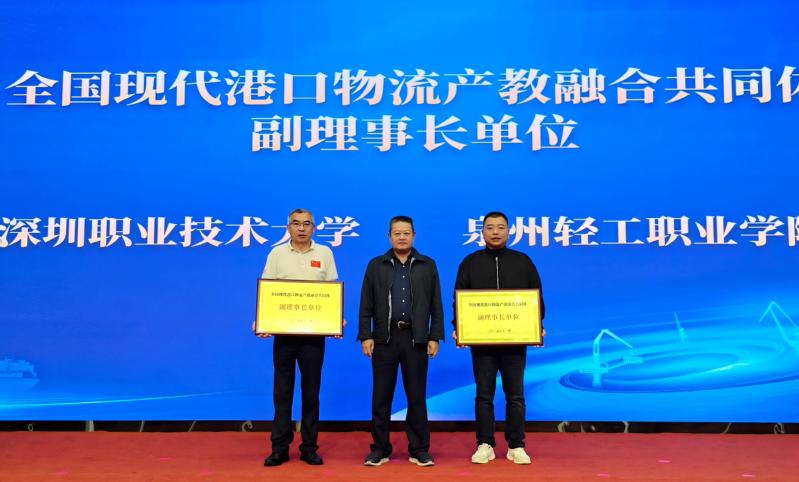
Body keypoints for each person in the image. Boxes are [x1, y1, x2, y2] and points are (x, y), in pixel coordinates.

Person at [453, 211, 545, 465]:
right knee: (484, 395)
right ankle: (485, 444)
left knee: (515, 395)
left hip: (515, 341)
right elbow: (459, 298)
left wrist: (537, 325)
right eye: (490, 227)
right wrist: (459, 327)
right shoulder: (470, 262)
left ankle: (516, 445)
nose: (495, 232)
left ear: (509, 231)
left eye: (501, 227)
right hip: (482, 342)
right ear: (482, 231)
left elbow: (536, 297)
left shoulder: (522, 261)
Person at [358, 216, 444, 467]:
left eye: (406, 233)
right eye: (397, 233)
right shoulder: (376, 265)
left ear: (414, 235)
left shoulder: (427, 265)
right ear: (389, 237)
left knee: (417, 396)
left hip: (416, 339)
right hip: (384, 339)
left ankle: (419, 449)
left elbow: (436, 304)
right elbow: (366, 303)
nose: (402, 237)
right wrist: (366, 335)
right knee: (381, 397)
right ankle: (379, 448)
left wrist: (434, 336)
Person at [258, 208, 338, 467]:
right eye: (296, 224)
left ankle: (309, 447)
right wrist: (262, 320)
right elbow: (267, 290)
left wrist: (335, 319)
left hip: (314, 337)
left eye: (306, 224)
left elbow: (331, 291)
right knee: (282, 394)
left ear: (314, 228)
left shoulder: (324, 253)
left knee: (311, 393)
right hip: (284, 335)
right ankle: (279, 448)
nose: (301, 228)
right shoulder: (277, 254)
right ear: (288, 227)